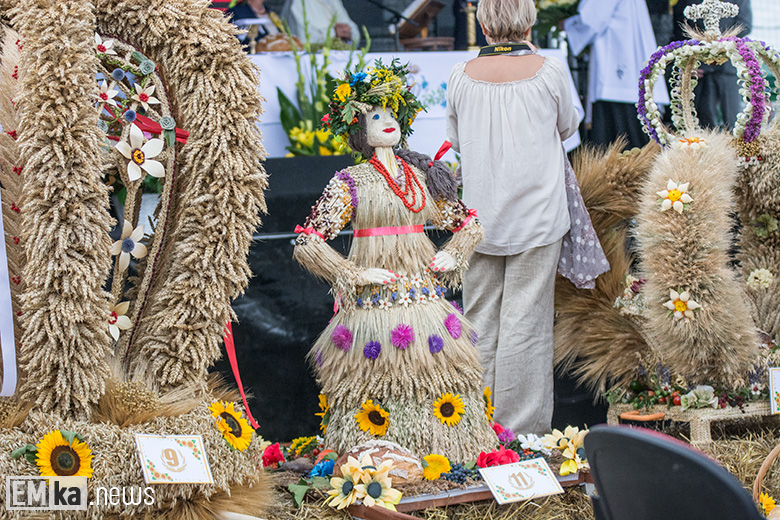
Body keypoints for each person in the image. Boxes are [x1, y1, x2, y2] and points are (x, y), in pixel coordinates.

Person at [293, 61, 496, 460]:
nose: (386, 122)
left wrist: (452, 254)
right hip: (373, 301)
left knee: (438, 375)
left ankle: (447, 453)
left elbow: (469, 224)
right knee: (375, 382)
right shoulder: (350, 182)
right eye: (375, 116)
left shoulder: (422, 176)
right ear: (359, 129)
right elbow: (306, 242)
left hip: (423, 296)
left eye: (391, 114)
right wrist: (351, 272)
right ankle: (376, 458)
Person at [446, 0, 606, 435]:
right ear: (530, 20)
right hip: (537, 216)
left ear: (481, 22)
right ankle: (518, 436)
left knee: (477, 321)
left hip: (479, 221)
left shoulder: (459, 76)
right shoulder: (550, 71)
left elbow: (456, 140)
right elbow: (568, 127)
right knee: (526, 324)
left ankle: (471, 429)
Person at [564, 0, 669, 148]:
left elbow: (592, 20)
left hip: (617, 70)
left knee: (618, 142)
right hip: (628, 62)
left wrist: (568, 25)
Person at [673, 0, 752, 130]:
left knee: (734, 122)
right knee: (703, 122)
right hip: (700, 69)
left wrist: (717, 42)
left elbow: (745, 25)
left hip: (729, 66)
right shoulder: (689, 3)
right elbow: (680, 26)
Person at [282, 0, 359, 44]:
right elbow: (301, 38)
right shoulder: (297, 2)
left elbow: (354, 31)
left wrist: (348, 32)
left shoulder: (333, 1)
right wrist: (333, 33)